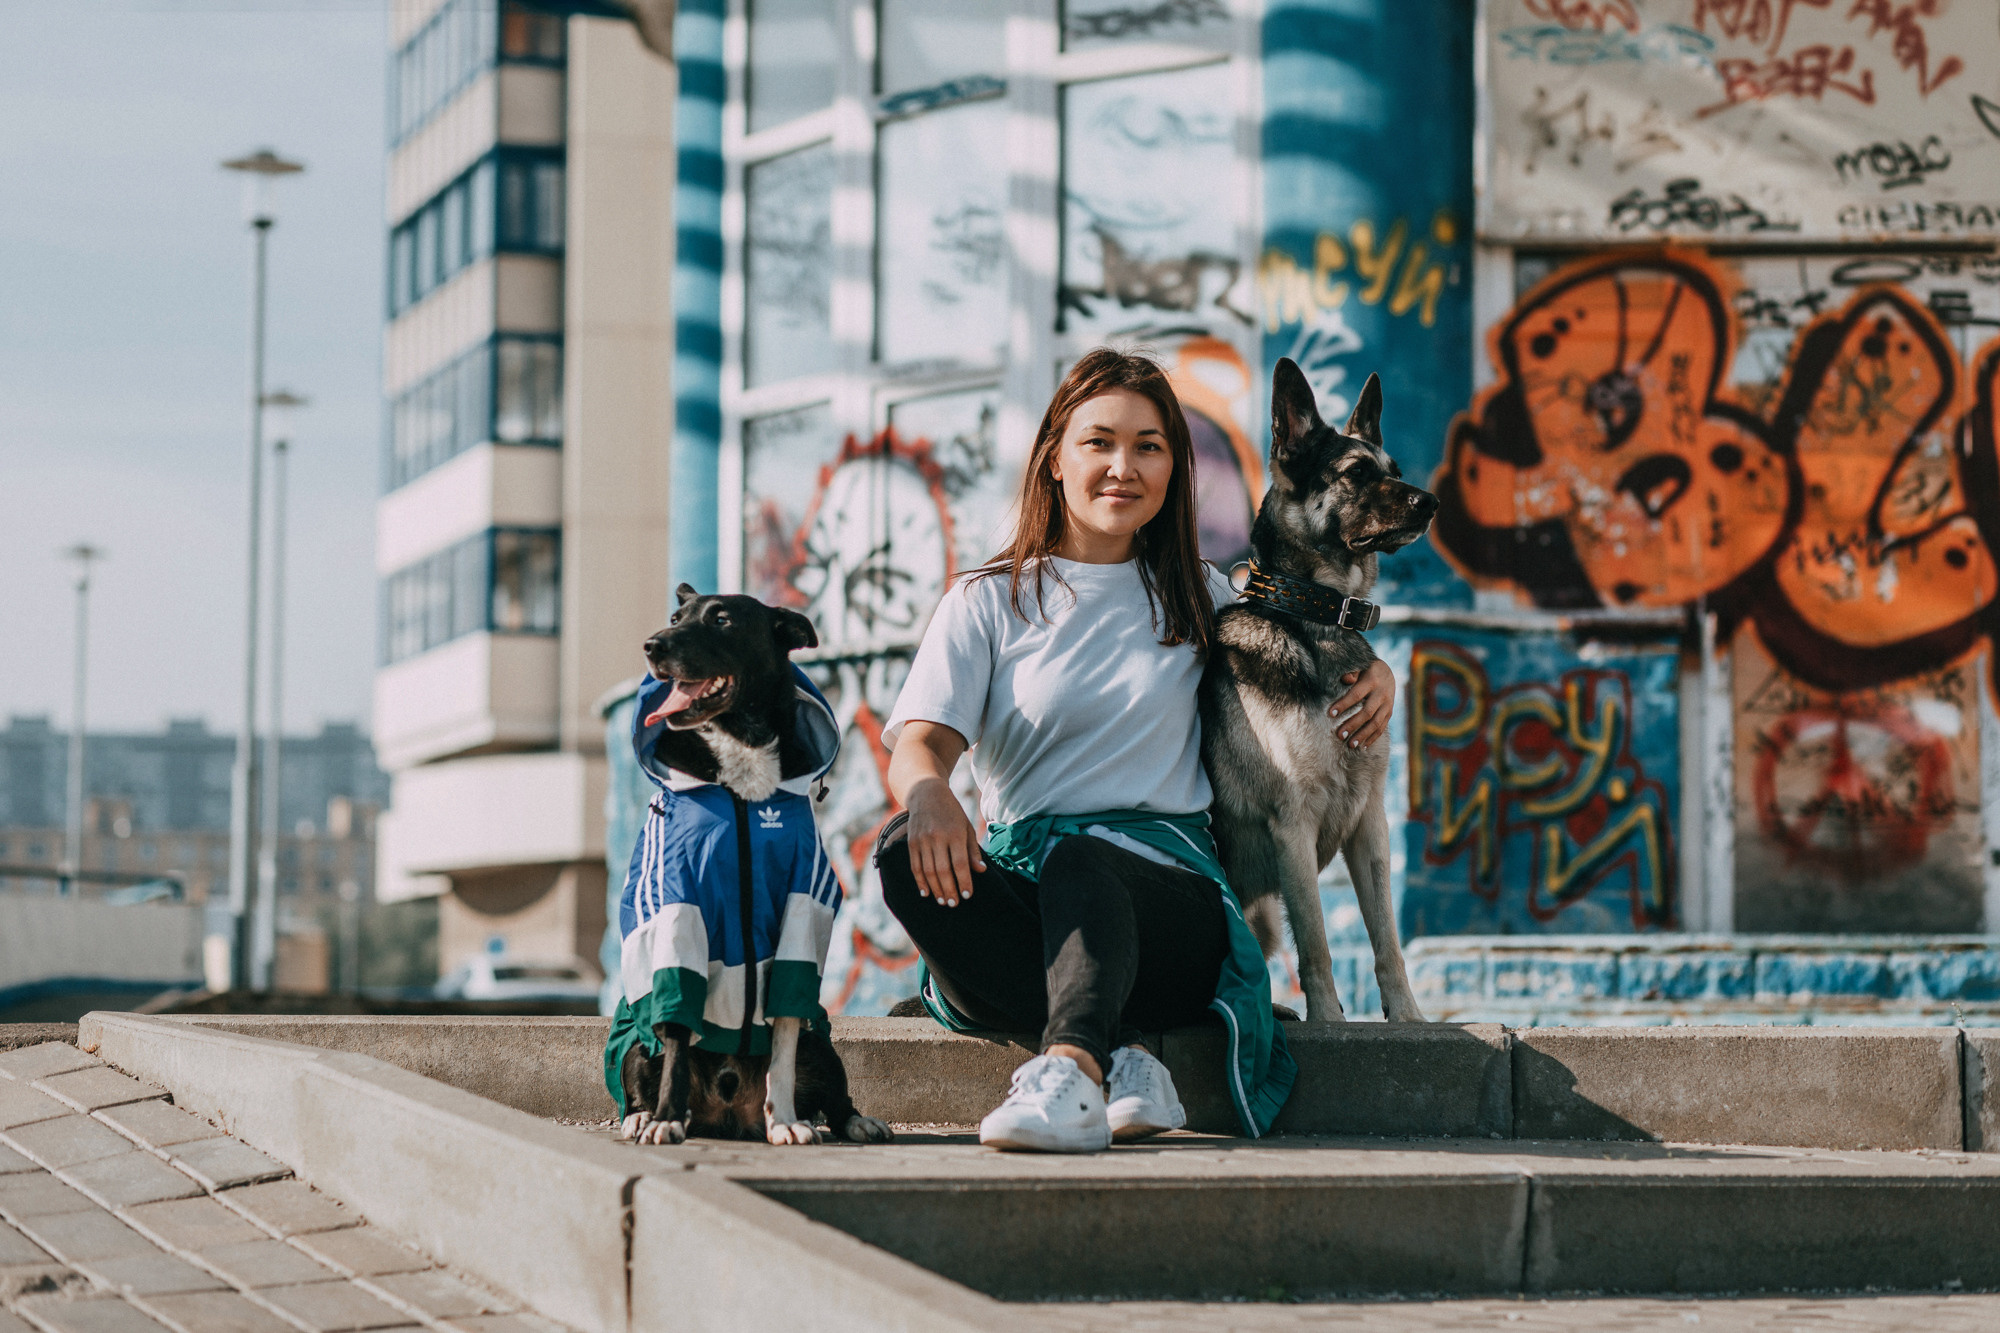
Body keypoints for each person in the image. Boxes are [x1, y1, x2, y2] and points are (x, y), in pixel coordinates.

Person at [877, 347, 1398, 1152]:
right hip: (1030, 897)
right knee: (896, 851)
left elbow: (1322, 631)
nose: (1124, 466)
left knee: (1089, 860)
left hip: (1173, 908)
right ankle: (1125, 1053)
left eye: (1149, 445)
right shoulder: (987, 600)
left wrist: (1380, 673)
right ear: (1055, 457)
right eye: (1100, 442)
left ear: (1173, 468)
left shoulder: (1208, 590)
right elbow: (919, 745)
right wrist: (930, 793)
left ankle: (1070, 1071)